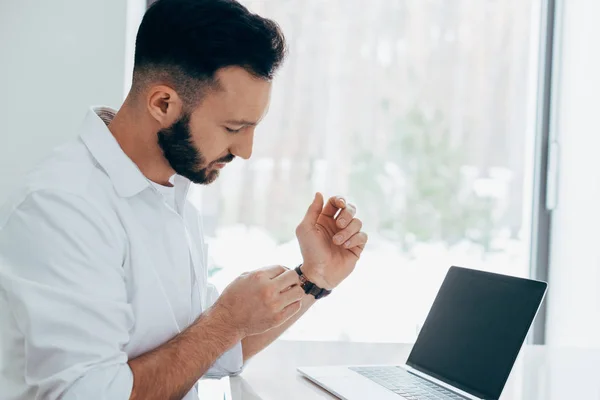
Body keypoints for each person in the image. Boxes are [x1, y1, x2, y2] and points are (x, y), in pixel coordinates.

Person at [0, 0, 368, 399]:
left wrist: (314, 278)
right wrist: (226, 321)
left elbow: (214, 352)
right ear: (162, 104)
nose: (245, 150)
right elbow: (90, 393)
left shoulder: (169, 196)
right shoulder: (61, 208)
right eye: (233, 127)